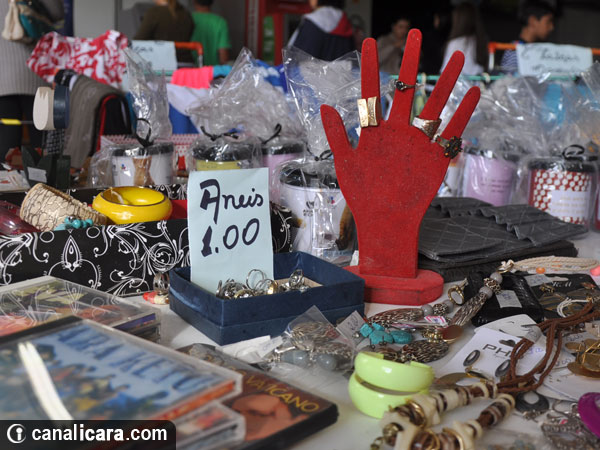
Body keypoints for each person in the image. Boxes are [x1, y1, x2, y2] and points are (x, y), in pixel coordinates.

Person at [0, 0, 64, 163]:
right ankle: (42, 177)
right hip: (36, 73)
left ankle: (6, 177)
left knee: (6, 138)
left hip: (2, 80)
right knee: (42, 140)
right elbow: (57, 12)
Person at [288, 0, 354, 61]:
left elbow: (299, 59)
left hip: (312, 69)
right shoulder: (345, 21)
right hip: (341, 69)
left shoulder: (313, 22)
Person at [500, 0, 555, 72]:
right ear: (533, 21)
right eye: (548, 21)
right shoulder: (515, 50)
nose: (551, 27)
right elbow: (509, 77)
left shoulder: (535, 50)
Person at [441, 2, 487, 75]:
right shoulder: (480, 41)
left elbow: (445, 73)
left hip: (458, 81)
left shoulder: (455, 43)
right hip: (477, 80)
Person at [190, 0, 231, 66]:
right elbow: (223, 58)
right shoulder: (220, 22)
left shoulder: (188, 20)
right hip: (213, 71)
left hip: (190, 70)